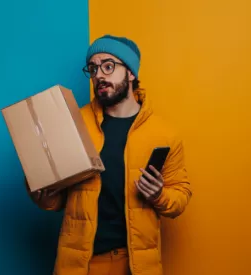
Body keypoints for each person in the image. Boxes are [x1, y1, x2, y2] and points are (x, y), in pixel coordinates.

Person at [26, 34, 193, 275]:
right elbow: (59, 201)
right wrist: (42, 194)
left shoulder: (164, 134)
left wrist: (159, 195)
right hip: (81, 265)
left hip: (135, 265)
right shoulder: (74, 123)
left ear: (131, 73)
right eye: (93, 69)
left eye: (108, 66)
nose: (99, 75)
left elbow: (180, 197)